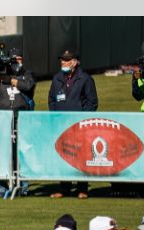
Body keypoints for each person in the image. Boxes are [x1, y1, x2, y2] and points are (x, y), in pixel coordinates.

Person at [47, 50, 98, 200]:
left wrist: (82, 117)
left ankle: (82, 188)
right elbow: (51, 99)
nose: (63, 62)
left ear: (75, 62)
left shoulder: (85, 79)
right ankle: (64, 188)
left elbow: (92, 102)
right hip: (62, 124)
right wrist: (55, 116)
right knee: (64, 155)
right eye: (62, 59)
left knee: (81, 156)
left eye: (67, 60)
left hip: (80, 126)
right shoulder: (57, 78)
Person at [0, 47, 36, 112]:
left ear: (22, 59)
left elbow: (28, 86)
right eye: (13, 59)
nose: (16, 61)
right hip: (2, 114)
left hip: (21, 113)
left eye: (18, 59)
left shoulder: (27, 73)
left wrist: (10, 80)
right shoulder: (2, 73)